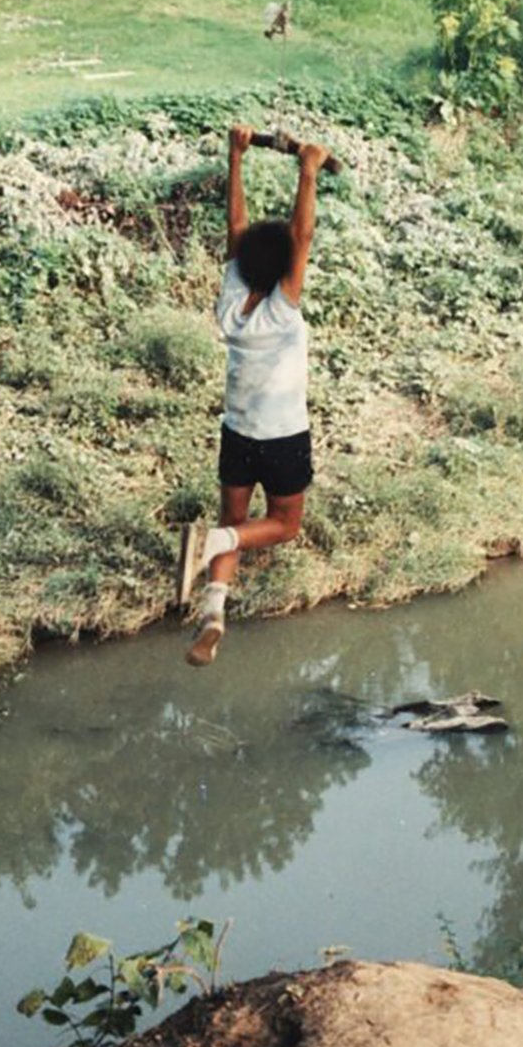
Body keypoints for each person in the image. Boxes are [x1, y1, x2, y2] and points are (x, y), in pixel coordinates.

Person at [176, 123, 331, 666]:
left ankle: (213, 613)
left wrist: (236, 155)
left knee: (233, 518)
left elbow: (237, 225)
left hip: (237, 431)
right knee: (282, 525)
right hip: (282, 435)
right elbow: (302, 234)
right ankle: (217, 546)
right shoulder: (282, 310)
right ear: (285, 269)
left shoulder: (232, 297)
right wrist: (308, 169)